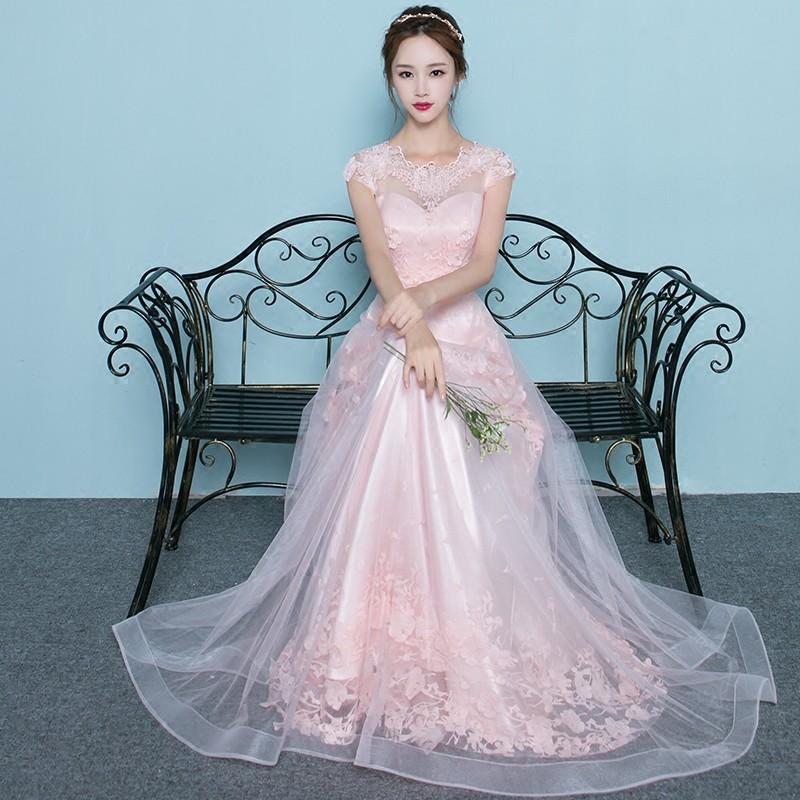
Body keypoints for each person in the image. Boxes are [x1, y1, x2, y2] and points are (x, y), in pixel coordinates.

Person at [111, 5, 777, 796]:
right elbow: (380, 259)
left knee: (471, 443)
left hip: (462, 332)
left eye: (435, 71)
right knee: (401, 407)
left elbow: (483, 264)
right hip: (392, 334)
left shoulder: (490, 165)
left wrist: (427, 320)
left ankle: (474, 622)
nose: (421, 87)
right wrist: (411, 331)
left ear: (459, 76)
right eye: (406, 73)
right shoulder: (367, 167)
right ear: (389, 80)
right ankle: (373, 635)